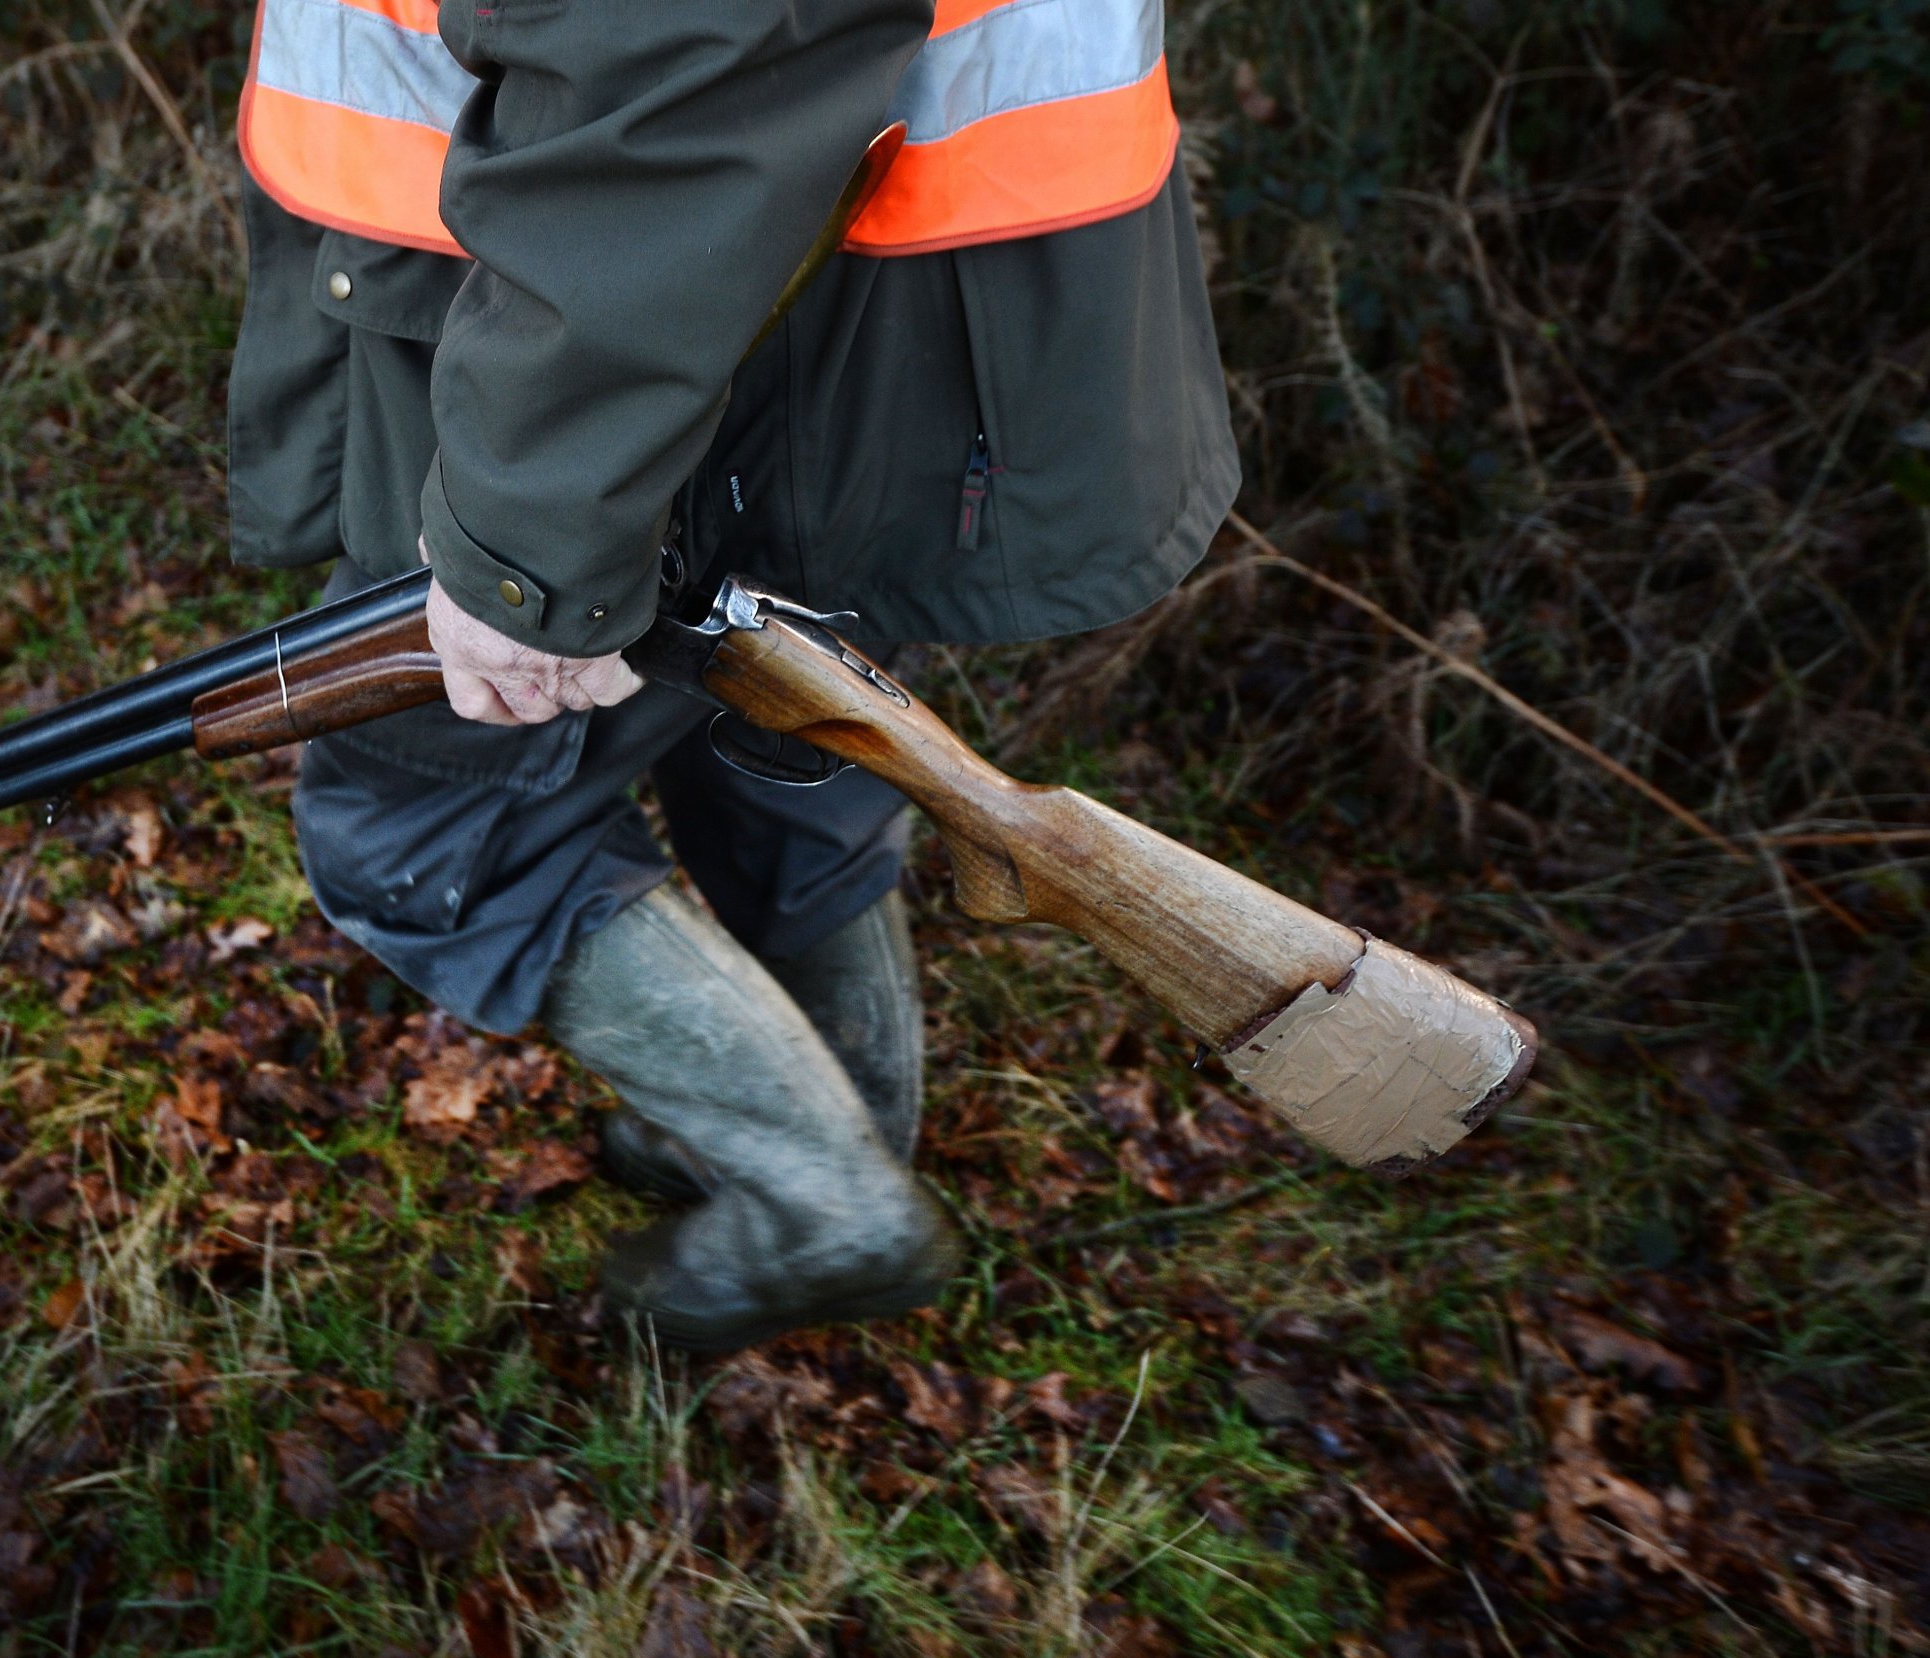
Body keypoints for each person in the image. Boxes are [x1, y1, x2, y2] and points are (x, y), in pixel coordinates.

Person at [225, 0, 1239, 1351]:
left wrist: (528, 542)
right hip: (893, 278)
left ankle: (821, 1205)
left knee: (420, 819)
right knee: (781, 731)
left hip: (653, 299)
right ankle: (846, 1130)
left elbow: (676, 69)